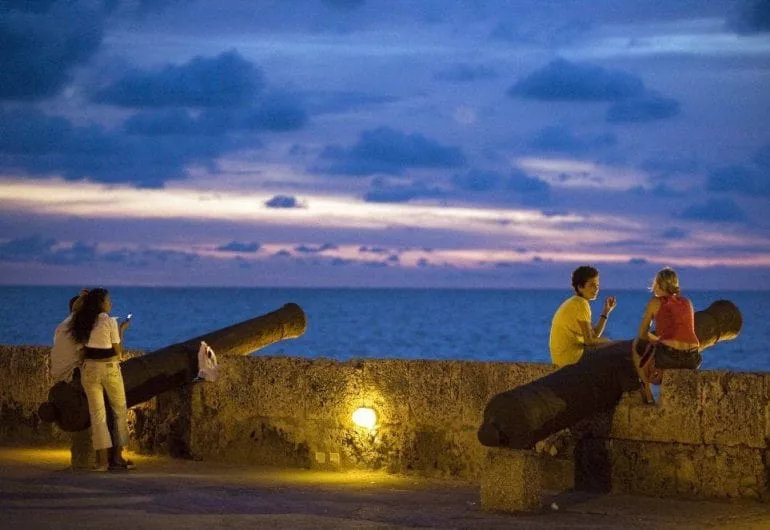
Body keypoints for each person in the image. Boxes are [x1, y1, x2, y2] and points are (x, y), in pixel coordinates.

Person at [69, 288, 134, 472]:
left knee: (98, 416)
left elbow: (81, 351)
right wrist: (121, 331)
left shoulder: (81, 322)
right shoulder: (109, 321)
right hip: (109, 368)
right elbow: (117, 352)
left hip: (89, 370)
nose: (110, 303)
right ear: (101, 304)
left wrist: (82, 298)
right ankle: (118, 458)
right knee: (119, 412)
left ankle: (102, 462)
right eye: (108, 300)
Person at [50, 290, 90, 470]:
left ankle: (83, 458)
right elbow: (83, 355)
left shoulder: (60, 327)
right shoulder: (77, 328)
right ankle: (86, 459)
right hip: (71, 378)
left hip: (59, 377)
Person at [549, 265, 617, 367]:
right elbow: (590, 341)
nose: (596, 289)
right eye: (592, 285)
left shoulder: (575, 302)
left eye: (597, 286)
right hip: (569, 359)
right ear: (580, 287)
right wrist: (611, 342)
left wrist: (606, 312)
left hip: (561, 358)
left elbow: (593, 336)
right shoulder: (581, 304)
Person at [636, 267, 700, 368]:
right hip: (693, 358)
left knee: (639, 345)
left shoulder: (655, 302)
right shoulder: (687, 302)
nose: (654, 286)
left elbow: (642, 334)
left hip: (669, 356)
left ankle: (642, 381)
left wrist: (652, 339)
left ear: (659, 284)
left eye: (655, 282)